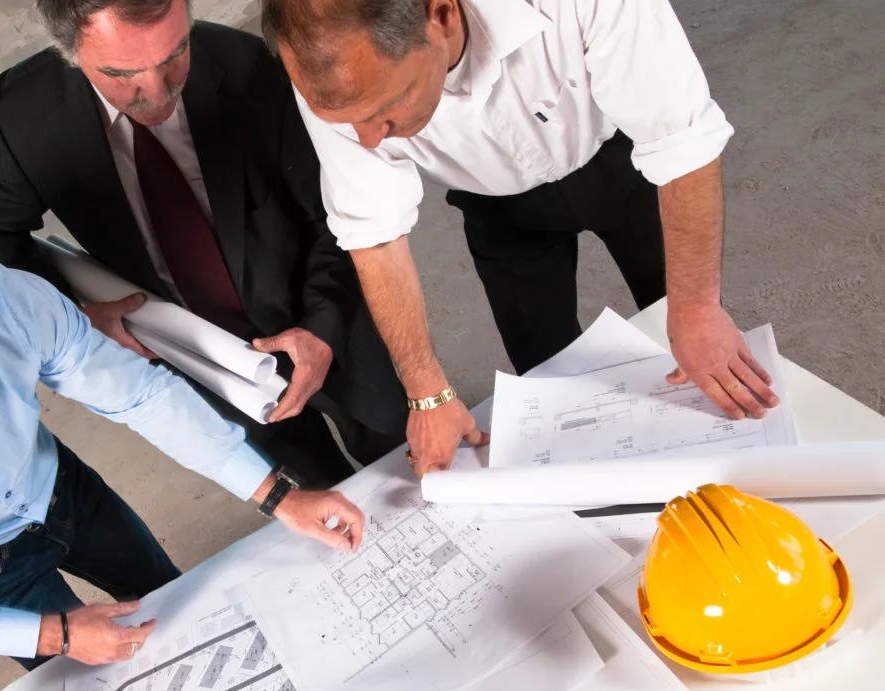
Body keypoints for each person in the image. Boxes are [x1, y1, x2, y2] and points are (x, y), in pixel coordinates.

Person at [261, 0, 782, 475]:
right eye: (347, 122)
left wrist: (694, 309)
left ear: (440, 16)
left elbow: (681, 142)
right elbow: (374, 236)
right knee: (548, 377)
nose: (369, 139)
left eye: (386, 108)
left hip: (624, 164)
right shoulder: (333, 73)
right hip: (500, 212)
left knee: (695, 337)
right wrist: (426, 393)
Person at [0, 259, 364, 668]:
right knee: (95, 677)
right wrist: (61, 634)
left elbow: (140, 394)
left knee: (171, 599)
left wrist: (278, 496)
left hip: (62, 489)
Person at [0, 0, 408, 489]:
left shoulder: (251, 66)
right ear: (69, 53)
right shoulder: (21, 113)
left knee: (402, 457)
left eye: (175, 54)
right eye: (121, 72)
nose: (157, 91)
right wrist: (75, 312)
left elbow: (337, 213)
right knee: (318, 489)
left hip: (324, 314)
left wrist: (322, 327)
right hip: (206, 356)